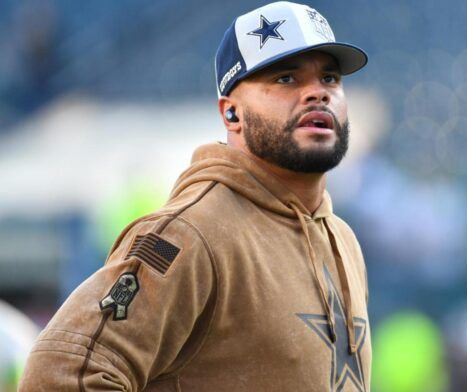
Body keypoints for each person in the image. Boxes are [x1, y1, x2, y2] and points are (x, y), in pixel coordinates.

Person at [19, 2, 371, 390]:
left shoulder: (343, 240)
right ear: (231, 113)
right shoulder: (189, 234)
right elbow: (62, 372)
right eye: (286, 79)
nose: (317, 94)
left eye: (330, 78)